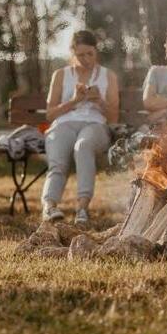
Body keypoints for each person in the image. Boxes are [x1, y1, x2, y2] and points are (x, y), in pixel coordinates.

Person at [41, 30, 119, 224]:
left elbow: (113, 117)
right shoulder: (61, 75)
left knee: (83, 146)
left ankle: (82, 208)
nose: (86, 59)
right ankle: (49, 206)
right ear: (73, 53)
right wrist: (75, 100)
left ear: (96, 51)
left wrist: (99, 100)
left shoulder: (108, 76)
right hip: (64, 124)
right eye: (80, 55)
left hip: (95, 125)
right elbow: (50, 114)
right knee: (58, 161)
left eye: (89, 54)